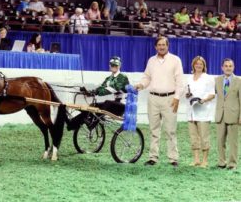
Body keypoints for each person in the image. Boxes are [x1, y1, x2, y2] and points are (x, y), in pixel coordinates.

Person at [134, 36, 184, 167]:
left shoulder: (175, 60)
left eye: (164, 45)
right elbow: (147, 77)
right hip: (153, 98)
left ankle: (173, 158)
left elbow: (180, 81)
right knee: (154, 129)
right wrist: (141, 85)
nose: (161, 47)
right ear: (155, 47)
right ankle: (153, 157)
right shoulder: (151, 60)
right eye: (159, 45)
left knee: (171, 130)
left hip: (170, 98)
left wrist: (177, 97)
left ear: (168, 46)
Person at [67, 56, 129, 130]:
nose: (114, 67)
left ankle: (93, 124)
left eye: (116, 65)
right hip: (115, 105)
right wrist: (88, 93)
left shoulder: (122, 77)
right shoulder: (108, 79)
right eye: (112, 65)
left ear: (119, 66)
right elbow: (101, 88)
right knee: (93, 105)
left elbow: (112, 89)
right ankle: (72, 123)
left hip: (124, 106)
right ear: (109, 66)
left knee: (107, 103)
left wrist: (95, 92)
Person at [185, 56, 215, 168]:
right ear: (193, 65)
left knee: (204, 136)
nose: (198, 65)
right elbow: (187, 92)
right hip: (191, 111)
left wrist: (203, 100)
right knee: (193, 137)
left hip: (203, 111)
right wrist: (187, 95)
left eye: (200, 64)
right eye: (196, 63)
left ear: (204, 66)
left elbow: (212, 94)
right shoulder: (189, 78)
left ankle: (205, 161)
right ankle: (196, 160)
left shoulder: (208, 78)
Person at [215, 58, 241, 170]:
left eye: (230, 66)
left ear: (233, 67)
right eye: (226, 66)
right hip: (220, 115)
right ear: (222, 67)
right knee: (220, 140)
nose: (228, 68)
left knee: (233, 142)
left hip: (234, 116)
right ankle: (221, 162)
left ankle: (232, 163)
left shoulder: (239, 81)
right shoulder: (217, 80)